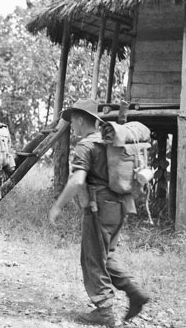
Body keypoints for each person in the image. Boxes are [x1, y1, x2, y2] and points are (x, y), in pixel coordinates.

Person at [48, 99, 150, 327]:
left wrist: (57, 206)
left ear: (81, 119)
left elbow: (77, 180)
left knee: (93, 257)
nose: (71, 125)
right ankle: (134, 292)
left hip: (100, 208)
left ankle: (104, 311)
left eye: (72, 120)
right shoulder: (109, 142)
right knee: (107, 255)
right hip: (121, 205)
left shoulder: (86, 145)